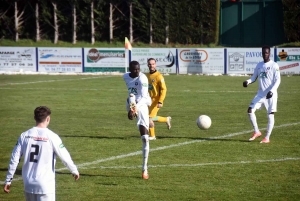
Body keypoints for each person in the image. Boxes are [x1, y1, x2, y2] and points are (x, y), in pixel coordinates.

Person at [3, 106, 80, 200]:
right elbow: (64, 156)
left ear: (34, 118)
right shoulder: (52, 136)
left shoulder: (24, 135)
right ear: (48, 118)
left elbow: (14, 159)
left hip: (28, 185)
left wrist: (8, 180)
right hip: (45, 186)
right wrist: (74, 170)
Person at [243, 46, 281, 143]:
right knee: (250, 110)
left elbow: (278, 80)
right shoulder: (259, 65)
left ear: (270, 53)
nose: (265, 54)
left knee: (270, 115)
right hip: (260, 94)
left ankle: (267, 137)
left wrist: (272, 91)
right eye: (264, 53)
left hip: (271, 95)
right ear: (262, 53)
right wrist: (247, 82)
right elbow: (253, 77)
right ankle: (256, 132)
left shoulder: (274, 65)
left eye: (267, 53)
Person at [123, 61, 152, 179]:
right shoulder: (125, 76)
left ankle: (144, 169)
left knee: (145, 138)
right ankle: (135, 113)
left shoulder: (143, 78)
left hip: (142, 104)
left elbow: (145, 97)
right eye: (135, 69)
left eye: (138, 69)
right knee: (131, 96)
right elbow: (131, 93)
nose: (137, 71)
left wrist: (134, 109)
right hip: (131, 102)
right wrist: (131, 107)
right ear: (130, 69)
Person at [147, 58, 171, 140]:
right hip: (149, 100)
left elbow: (164, 89)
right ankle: (166, 119)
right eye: (150, 64)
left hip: (156, 100)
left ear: (155, 64)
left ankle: (152, 136)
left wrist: (160, 101)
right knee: (148, 117)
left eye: (153, 64)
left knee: (149, 118)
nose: (151, 66)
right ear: (147, 65)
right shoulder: (147, 75)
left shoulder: (159, 76)